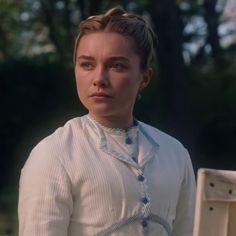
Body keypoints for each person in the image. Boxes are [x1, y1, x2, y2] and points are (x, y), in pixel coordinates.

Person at [18, 7, 196, 236]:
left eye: (116, 66)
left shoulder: (175, 153)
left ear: (144, 77)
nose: (99, 79)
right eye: (87, 65)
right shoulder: (54, 154)